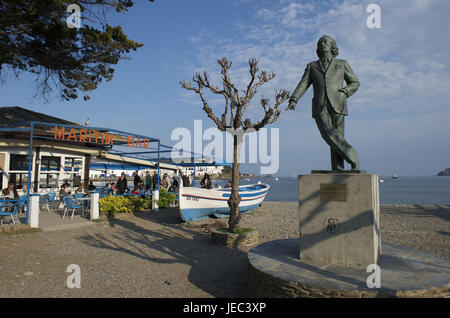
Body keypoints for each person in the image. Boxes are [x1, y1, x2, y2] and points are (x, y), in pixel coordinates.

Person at [287, 35, 360, 171]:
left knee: (337, 136)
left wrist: (345, 91)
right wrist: (294, 99)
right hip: (320, 105)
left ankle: (338, 168)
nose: (322, 44)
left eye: (325, 41)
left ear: (332, 46)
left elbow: (355, 82)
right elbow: (303, 84)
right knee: (327, 134)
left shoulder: (342, 64)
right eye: (320, 42)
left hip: (339, 103)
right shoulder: (312, 66)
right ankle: (353, 156)